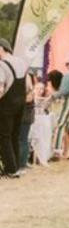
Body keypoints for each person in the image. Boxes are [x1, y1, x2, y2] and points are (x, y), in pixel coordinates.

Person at [0, 38, 30, 177]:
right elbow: (28, 86)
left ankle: (10, 169)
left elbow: (0, 88)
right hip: (21, 103)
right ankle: (17, 166)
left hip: (6, 104)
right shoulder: (22, 63)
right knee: (15, 135)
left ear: (2, 48)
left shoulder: (2, 65)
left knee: (4, 136)